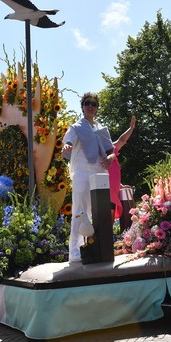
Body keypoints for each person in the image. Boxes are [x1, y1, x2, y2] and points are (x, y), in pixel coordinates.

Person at [61, 92, 115, 262]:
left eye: (94, 104)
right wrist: (67, 146)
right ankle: (75, 252)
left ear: (97, 108)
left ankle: (102, 247)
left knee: (101, 212)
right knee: (80, 211)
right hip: (83, 172)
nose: (90, 106)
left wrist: (110, 158)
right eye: (87, 103)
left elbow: (111, 152)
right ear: (82, 107)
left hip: (100, 173)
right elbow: (67, 143)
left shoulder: (101, 130)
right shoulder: (76, 127)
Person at [108, 115, 136, 220]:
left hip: (113, 189)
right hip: (105, 190)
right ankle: (106, 236)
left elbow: (122, 140)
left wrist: (131, 128)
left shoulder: (111, 148)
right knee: (107, 216)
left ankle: (109, 236)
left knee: (111, 216)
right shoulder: (97, 153)